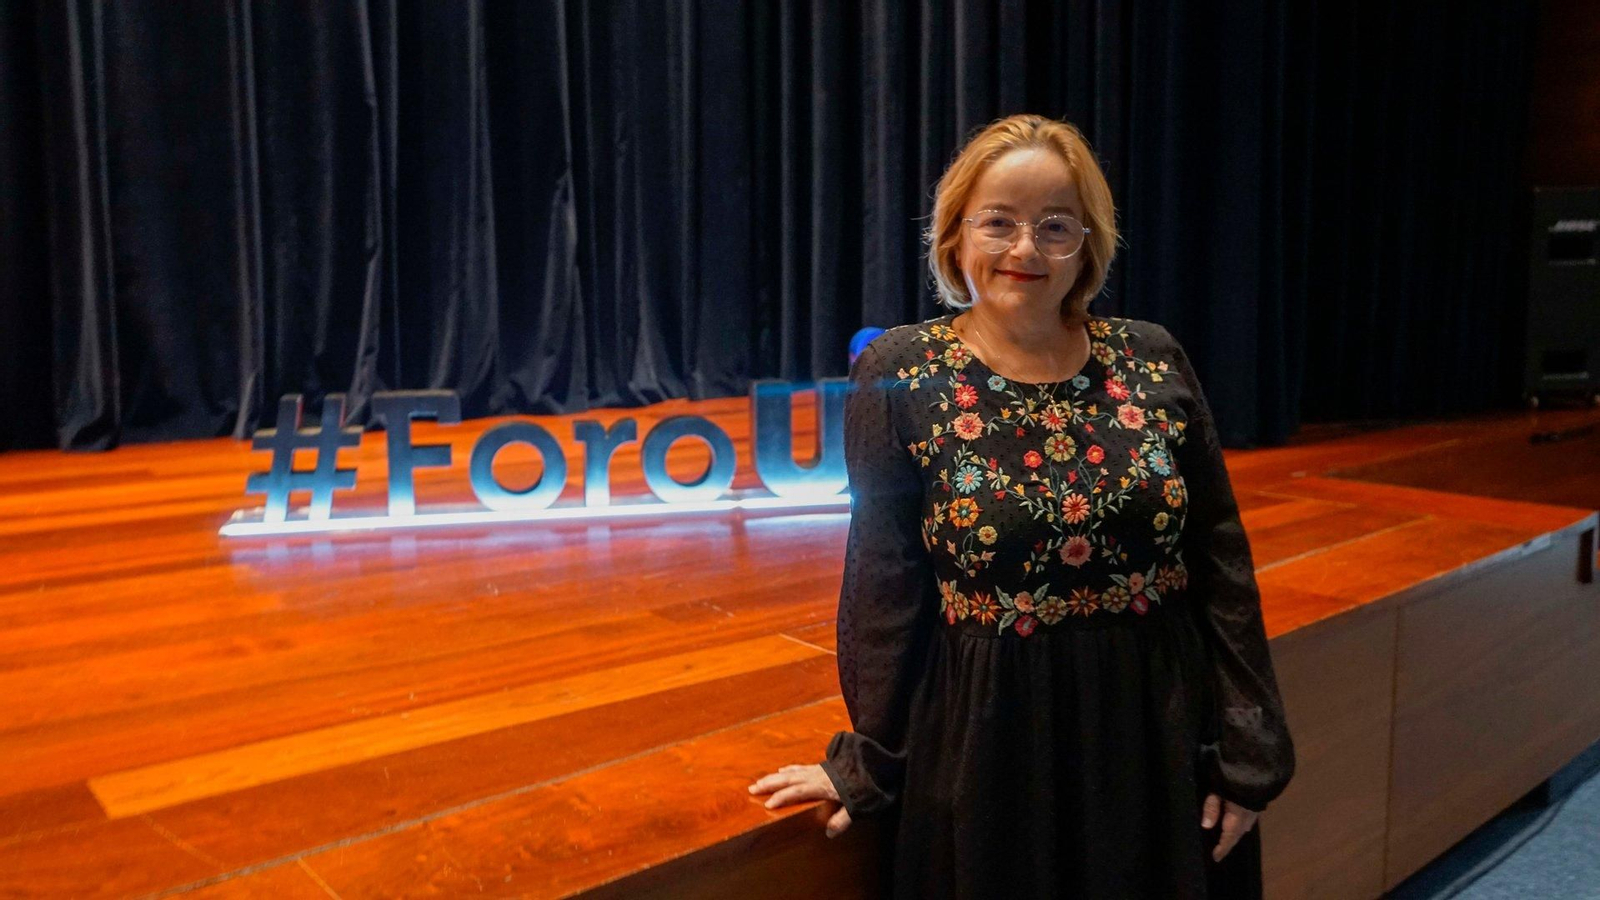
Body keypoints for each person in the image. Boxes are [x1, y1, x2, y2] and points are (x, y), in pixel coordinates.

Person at [748, 113, 1295, 898]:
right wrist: (869, 760)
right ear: (955, 236)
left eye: (1055, 225)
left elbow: (1220, 558)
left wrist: (1249, 750)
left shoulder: (1152, 356)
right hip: (991, 742)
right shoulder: (902, 373)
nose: (1026, 249)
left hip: (1160, 728)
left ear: (1088, 242)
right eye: (998, 222)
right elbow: (883, 584)